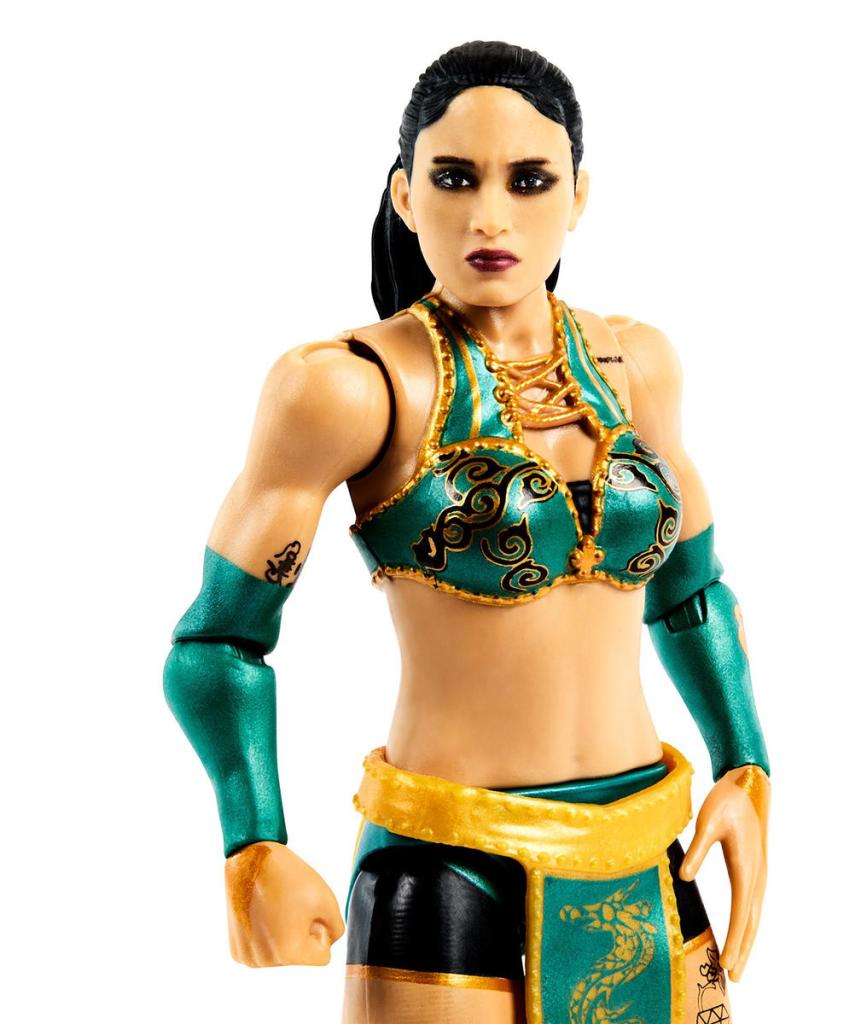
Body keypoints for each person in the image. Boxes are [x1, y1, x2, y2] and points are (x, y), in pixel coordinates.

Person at [164, 40, 770, 1024]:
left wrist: (747, 765)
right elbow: (217, 643)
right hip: (447, 861)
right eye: (455, 178)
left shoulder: (637, 367)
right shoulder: (348, 388)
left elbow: (693, 593)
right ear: (405, 195)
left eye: (529, 180)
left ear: (578, 196)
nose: (491, 215)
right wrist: (254, 842)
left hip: (647, 852)